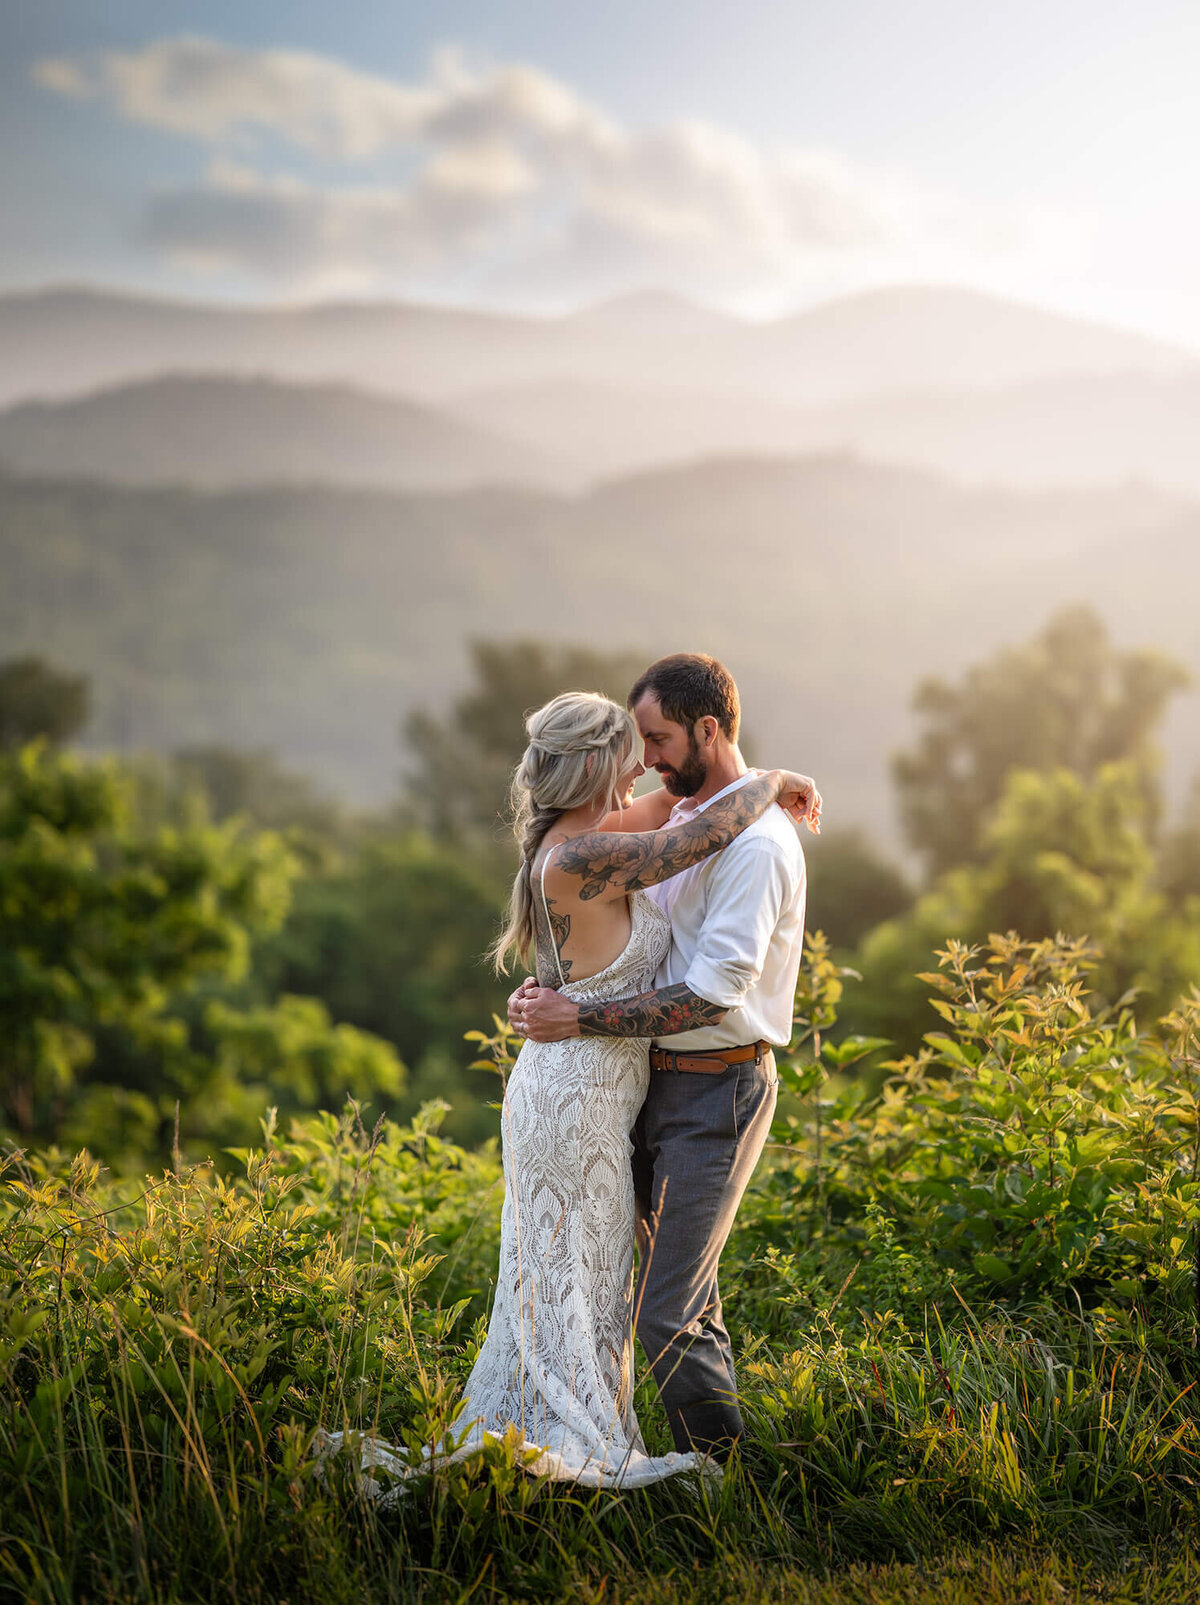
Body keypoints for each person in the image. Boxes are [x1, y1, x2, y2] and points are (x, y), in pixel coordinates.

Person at [511, 654, 816, 1463]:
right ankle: (603, 1451)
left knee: (663, 1307)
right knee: (607, 1292)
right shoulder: (624, 835)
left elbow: (712, 992)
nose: (646, 759)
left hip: (714, 1088)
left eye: (658, 739)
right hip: (629, 1088)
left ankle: (719, 1479)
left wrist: (576, 1013)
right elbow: (697, 832)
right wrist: (773, 775)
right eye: (634, 745)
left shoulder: (748, 844)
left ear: (707, 730)